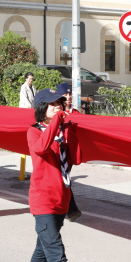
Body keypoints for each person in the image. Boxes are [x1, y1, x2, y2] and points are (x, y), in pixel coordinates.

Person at [24, 88, 90, 262]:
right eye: (53, 105)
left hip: (61, 200)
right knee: (56, 253)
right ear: (42, 109)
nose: (59, 107)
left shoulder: (61, 132)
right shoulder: (33, 132)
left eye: (60, 103)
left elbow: (78, 158)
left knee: (44, 246)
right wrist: (58, 124)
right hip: (42, 201)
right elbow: (41, 148)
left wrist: (71, 132)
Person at [56, 83, 82, 222]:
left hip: (68, 152)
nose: (69, 97)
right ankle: (69, 210)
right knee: (62, 180)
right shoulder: (55, 111)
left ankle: (70, 210)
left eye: (70, 94)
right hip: (56, 150)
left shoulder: (76, 113)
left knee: (65, 180)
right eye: (65, 95)